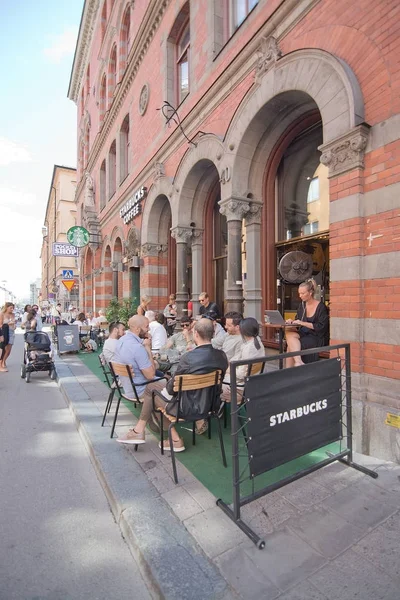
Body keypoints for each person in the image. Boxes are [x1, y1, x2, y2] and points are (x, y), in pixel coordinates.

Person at [116, 318, 228, 451]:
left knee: (153, 394)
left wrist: (164, 387)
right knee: (154, 390)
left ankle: (163, 437)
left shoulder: (188, 358)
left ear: (195, 334)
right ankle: (145, 432)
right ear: (214, 333)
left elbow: (170, 390)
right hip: (211, 405)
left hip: (186, 407)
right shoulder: (222, 356)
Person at [113, 314, 160, 401]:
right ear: (138, 329)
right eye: (147, 327)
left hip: (128, 389)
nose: (149, 329)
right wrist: (148, 348)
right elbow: (150, 376)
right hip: (140, 390)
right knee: (172, 383)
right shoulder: (137, 347)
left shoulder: (121, 341)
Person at [285, 278, 329, 367]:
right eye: (299, 293)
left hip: (317, 337)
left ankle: (290, 370)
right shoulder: (302, 306)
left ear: (310, 292)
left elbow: (321, 327)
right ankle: (298, 362)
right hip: (304, 333)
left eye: (302, 293)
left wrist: (302, 323)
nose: (300, 296)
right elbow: (298, 321)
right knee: (289, 334)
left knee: (290, 347)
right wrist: (292, 322)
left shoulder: (321, 307)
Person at [222, 317, 265, 401]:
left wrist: (229, 370)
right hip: (252, 381)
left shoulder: (249, 348)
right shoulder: (257, 341)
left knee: (217, 384)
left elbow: (242, 373)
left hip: (241, 386)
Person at [0, 302, 16, 372]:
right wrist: (8, 323)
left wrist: (14, 326)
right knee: (5, 349)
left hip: (12, 332)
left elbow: (14, 323)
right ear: (6, 308)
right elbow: (0, 325)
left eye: (13, 308)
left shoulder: (13, 314)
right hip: (5, 332)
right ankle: (2, 363)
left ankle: (4, 360)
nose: (12, 309)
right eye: (11, 308)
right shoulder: (2, 314)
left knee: (9, 350)